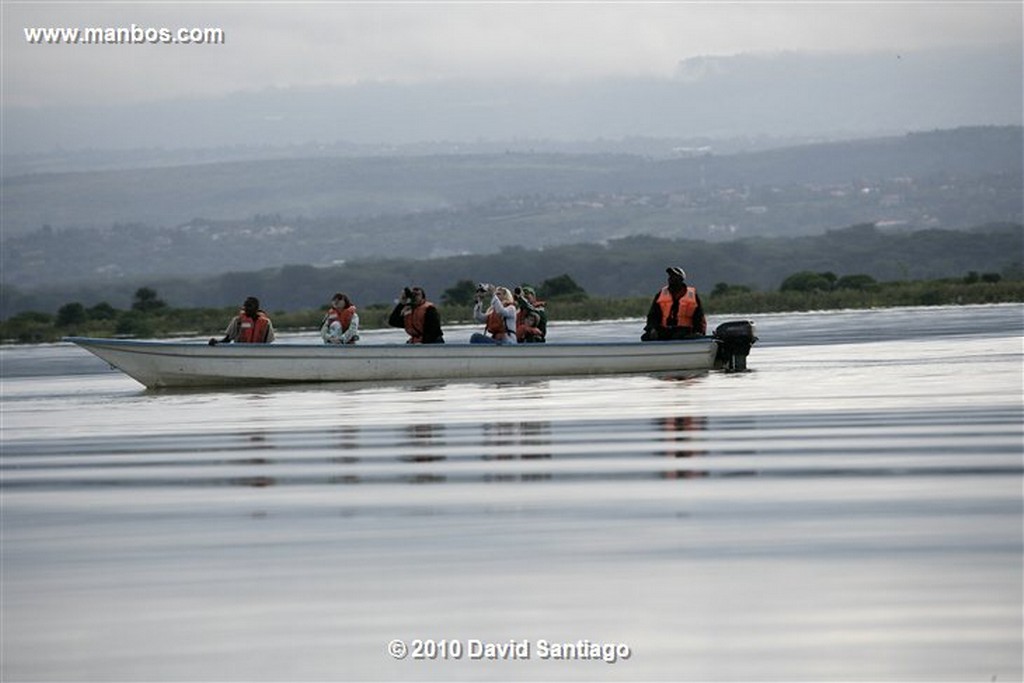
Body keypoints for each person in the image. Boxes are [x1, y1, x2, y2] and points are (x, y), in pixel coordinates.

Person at [641, 267, 707, 341]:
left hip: (685, 331)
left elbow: (699, 317)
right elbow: (653, 315)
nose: (670, 278)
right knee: (645, 337)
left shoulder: (692, 295)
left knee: (680, 336)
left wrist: (699, 332)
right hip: (665, 330)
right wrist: (652, 329)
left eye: (674, 276)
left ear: (681, 279)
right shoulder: (661, 294)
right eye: (670, 276)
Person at [209, 296, 275, 345]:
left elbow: (269, 342)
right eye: (245, 306)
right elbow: (227, 340)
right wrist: (217, 342)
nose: (246, 308)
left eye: (249, 306)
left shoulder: (266, 323)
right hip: (240, 350)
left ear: (256, 308)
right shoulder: (237, 320)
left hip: (259, 352)